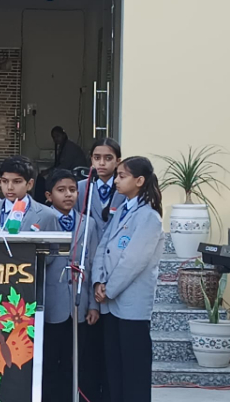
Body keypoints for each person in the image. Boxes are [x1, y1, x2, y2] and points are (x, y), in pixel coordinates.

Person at [92, 156, 164, 402]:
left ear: (139, 181)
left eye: (122, 176)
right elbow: (103, 246)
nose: (116, 181)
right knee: (114, 366)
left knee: (134, 369)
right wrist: (98, 281)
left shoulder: (149, 217)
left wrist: (109, 288)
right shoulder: (122, 209)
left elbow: (133, 261)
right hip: (110, 301)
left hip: (131, 302)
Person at [75, 137, 125, 402]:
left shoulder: (125, 188)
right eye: (97, 158)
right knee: (90, 343)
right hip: (88, 270)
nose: (102, 163)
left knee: (113, 344)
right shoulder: (80, 188)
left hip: (117, 269)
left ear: (118, 161)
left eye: (108, 158)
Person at [42, 169, 99, 402]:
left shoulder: (88, 223)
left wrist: (93, 304)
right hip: (50, 304)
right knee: (48, 361)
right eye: (61, 190)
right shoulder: (42, 220)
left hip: (78, 303)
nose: (68, 194)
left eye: (73, 190)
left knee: (73, 361)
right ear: (49, 195)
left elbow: (93, 263)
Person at [0, 156, 57, 232]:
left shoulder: (47, 215)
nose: (9, 187)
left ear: (29, 184)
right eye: (5, 181)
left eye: (17, 182)